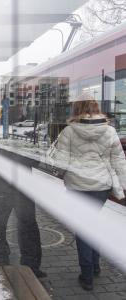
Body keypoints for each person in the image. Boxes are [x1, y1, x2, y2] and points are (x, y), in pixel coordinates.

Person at [52, 93, 126, 291]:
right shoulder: (110, 131)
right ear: (96, 108)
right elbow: (118, 159)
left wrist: (58, 172)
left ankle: (87, 276)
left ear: (76, 109)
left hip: (77, 185)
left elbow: (60, 162)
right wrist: (124, 183)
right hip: (101, 186)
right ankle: (95, 266)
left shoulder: (68, 131)